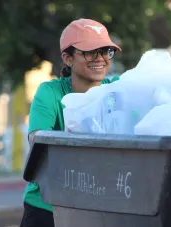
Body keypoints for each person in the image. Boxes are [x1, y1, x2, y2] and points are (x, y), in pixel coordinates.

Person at [20, 18, 121, 227]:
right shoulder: (50, 93)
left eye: (105, 51)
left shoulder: (118, 89)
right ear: (67, 58)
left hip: (100, 206)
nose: (100, 58)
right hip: (48, 207)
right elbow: (38, 143)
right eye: (90, 51)